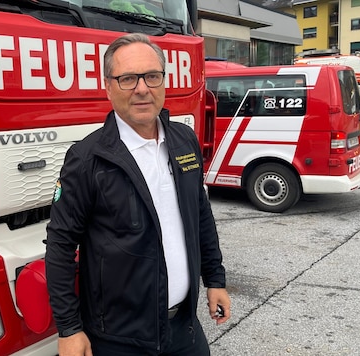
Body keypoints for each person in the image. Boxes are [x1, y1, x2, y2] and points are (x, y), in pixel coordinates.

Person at [45, 33, 231, 356]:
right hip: (120, 342)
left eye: (152, 76)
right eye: (128, 78)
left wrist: (215, 279)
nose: (142, 88)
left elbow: (200, 215)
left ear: (163, 81)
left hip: (183, 330)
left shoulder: (184, 141)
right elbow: (60, 248)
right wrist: (70, 328)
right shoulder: (87, 159)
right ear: (108, 86)